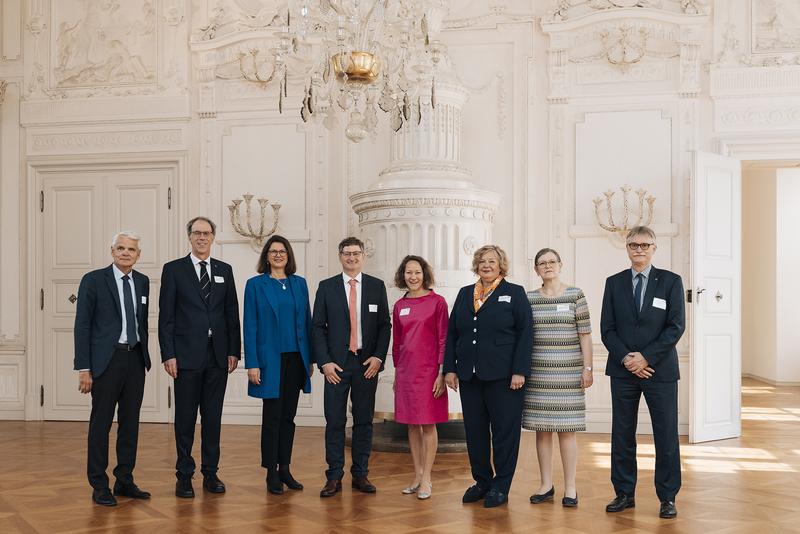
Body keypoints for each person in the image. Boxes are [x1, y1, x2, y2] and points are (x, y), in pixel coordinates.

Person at [600, 226, 685, 519]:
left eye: (645, 244)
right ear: (627, 248)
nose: (639, 249)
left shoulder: (671, 282)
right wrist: (627, 358)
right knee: (622, 433)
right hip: (623, 371)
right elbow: (607, 329)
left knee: (665, 434)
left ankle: (668, 497)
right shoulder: (614, 283)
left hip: (659, 371)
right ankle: (624, 493)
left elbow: (676, 326)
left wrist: (646, 357)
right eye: (634, 245)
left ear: (654, 248)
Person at [443, 245, 533, 508]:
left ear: (500, 264)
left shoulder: (513, 293)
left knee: (505, 433)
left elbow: (526, 333)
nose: (486, 265)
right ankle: (482, 481)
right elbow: (452, 334)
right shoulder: (464, 294)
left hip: (504, 377)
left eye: (492, 261)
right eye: (482, 261)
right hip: (469, 377)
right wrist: (450, 368)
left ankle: (501, 485)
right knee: (475, 433)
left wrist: (520, 370)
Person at [159, 216, 241, 498]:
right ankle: (184, 475)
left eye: (207, 233)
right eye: (197, 233)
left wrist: (234, 350)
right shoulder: (174, 270)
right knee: (184, 418)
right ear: (189, 237)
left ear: (213, 237)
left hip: (218, 356)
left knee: (213, 417)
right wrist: (167, 354)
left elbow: (232, 314)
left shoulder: (224, 270)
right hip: (185, 356)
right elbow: (166, 317)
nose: (202, 237)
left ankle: (210, 473)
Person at [74, 231, 152, 506]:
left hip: (135, 360)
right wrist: (84, 367)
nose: (126, 253)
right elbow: (82, 325)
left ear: (138, 255)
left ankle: (124, 480)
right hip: (106, 362)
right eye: (121, 248)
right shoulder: (94, 280)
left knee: (130, 423)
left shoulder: (142, 282)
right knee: (101, 424)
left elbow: (140, 322)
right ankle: (99, 484)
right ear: (112, 251)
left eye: (131, 249)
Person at [312, 237, 391, 498]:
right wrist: (324, 362)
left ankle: (361, 474)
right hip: (336, 365)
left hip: (366, 365)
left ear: (363, 256)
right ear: (340, 256)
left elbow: (384, 326)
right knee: (335, 421)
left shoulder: (377, 287)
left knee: (364, 421)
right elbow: (317, 327)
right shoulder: (327, 287)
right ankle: (334, 476)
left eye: (356, 253)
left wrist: (379, 358)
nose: (352, 258)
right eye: (347, 253)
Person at [243, 235, 313, 495]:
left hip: (296, 359)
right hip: (269, 362)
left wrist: (311, 359)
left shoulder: (300, 284)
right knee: (272, 417)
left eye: (282, 251)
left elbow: (307, 321)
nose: (278, 255)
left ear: (289, 255)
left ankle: (285, 468)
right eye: (273, 251)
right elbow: (249, 326)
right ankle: (271, 472)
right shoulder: (255, 285)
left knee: (288, 417)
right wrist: (253, 363)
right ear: (266, 256)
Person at [524, 248, 594, 508]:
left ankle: (571, 487)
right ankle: (545, 485)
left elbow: (585, 334)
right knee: (542, 432)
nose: (547, 266)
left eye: (552, 261)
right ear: (536, 270)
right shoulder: (528, 298)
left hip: (569, 373)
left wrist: (588, 368)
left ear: (560, 264)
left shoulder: (576, 295)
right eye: (542, 263)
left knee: (567, 431)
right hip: (539, 373)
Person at [391, 255, 449, 500]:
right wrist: (396, 373)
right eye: (408, 273)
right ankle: (416, 475)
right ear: (402, 276)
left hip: (429, 373)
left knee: (428, 424)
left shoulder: (437, 302)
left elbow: (444, 339)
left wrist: (441, 373)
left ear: (424, 274)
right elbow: (397, 343)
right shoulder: (399, 305)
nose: (412, 277)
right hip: (405, 372)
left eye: (416, 272)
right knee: (412, 425)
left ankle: (427, 479)